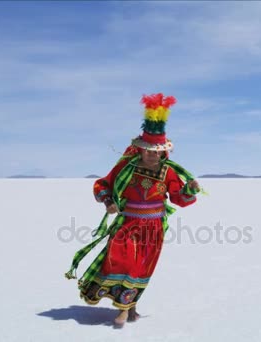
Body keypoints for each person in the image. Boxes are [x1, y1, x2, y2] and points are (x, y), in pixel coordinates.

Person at [64, 93, 201, 328]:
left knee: (140, 268)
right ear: (139, 149)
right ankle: (124, 309)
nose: (152, 154)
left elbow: (179, 198)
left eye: (156, 151)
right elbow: (102, 185)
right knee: (123, 261)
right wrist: (109, 202)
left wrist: (190, 189)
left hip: (154, 229)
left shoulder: (168, 173)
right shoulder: (126, 169)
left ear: (163, 152)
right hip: (127, 224)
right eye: (148, 149)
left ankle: (129, 307)